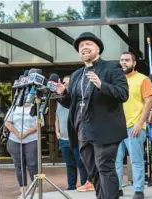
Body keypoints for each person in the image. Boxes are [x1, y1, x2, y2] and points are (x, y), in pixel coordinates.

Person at [56, 32, 129, 199]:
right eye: (81, 46)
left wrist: (101, 84)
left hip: (105, 129)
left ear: (98, 49)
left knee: (105, 167)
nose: (84, 47)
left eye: (88, 44)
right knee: (93, 171)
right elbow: (72, 103)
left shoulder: (112, 68)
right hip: (82, 130)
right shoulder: (76, 75)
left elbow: (123, 94)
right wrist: (62, 95)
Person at [115, 51, 152, 199]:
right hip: (117, 127)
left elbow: (149, 102)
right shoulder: (117, 80)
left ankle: (138, 190)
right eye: (121, 60)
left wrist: (140, 123)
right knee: (116, 161)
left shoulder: (143, 79)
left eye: (127, 60)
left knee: (136, 160)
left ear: (134, 63)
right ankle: (117, 189)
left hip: (134, 126)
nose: (123, 62)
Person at [55, 75, 90, 191]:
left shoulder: (75, 98)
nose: (66, 85)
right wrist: (57, 132)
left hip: (75, 137)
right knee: (69, 165)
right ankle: (71, 187)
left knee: (81, 163)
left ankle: (85, 184)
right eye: (64, 82)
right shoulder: (60, 100)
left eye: (68, 83)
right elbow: (57, 118)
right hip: (63, 139)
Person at [5, 102, 43, 198]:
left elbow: (40, 123)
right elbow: (7, 122)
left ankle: (37, 190)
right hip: (15, 140)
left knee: (33, 164)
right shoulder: (14, 107)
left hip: (31, 140)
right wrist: (17, 133)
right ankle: (23, 192)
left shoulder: (36, 106)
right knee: (19, 165)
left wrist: (25, 134)